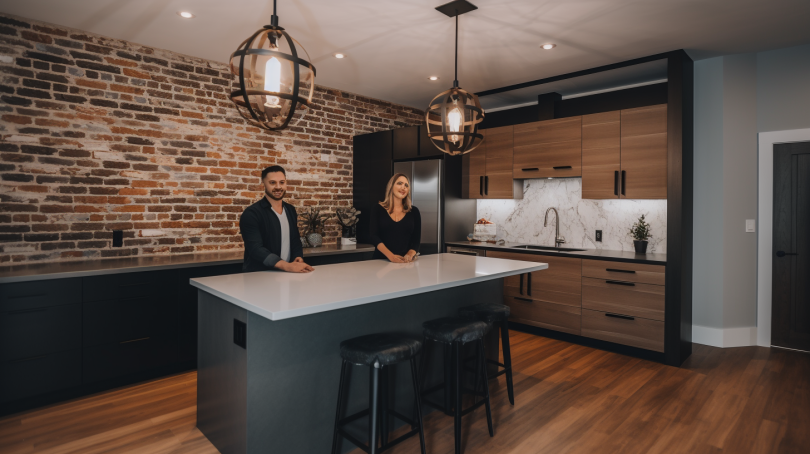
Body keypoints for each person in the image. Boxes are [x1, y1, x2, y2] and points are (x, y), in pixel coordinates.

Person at [240, 165, 314, 273]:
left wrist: (297, 257)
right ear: (263, 185)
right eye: (272, 183)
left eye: (282, 182)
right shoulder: (251, 214)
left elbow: (294, 240)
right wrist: (287, 266)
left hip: (287, 274)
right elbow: (255, 249)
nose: (278, 187)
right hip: (259, 276)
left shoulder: (290, 210)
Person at [369, 173, 421, 263]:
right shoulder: (377, 209)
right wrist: (391, 257)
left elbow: (416, 241)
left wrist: (410, 254)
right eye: (399, 183)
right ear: (391, 186)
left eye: (406, 185)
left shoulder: (414, 211)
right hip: (380, 262)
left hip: (405, 264)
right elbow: (374, 236)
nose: (403, 187)